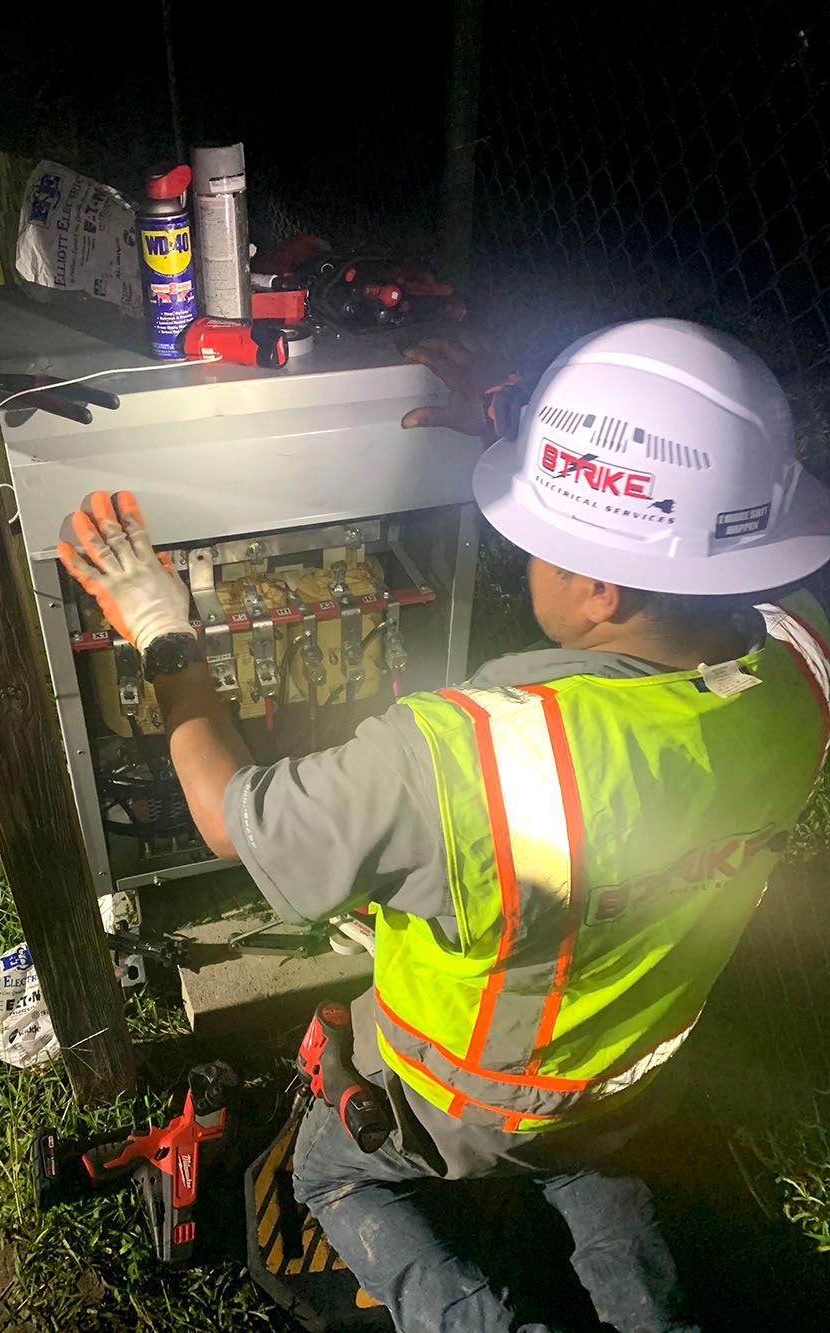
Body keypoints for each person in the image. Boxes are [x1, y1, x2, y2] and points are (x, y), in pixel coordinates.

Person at [57, 319, 830, 1333]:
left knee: (331, 1178)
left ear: (600, 586)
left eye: (537, 541)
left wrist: (162, 631)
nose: (521, 560)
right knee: (586, 1155)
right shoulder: (799, 665)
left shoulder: (460, 761)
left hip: (459, 1101)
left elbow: (229, 816)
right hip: (627, 1068)